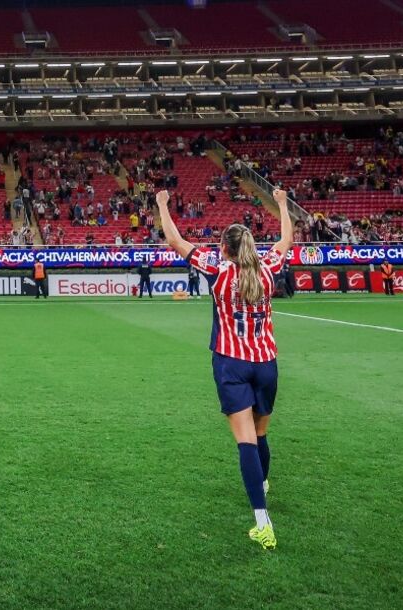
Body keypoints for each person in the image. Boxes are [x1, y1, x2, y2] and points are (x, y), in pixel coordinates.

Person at [156, 186, 293, 551]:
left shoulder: (218, 270)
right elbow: (286, 240)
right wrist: (280, 204)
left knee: (245, 440)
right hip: (266, 363)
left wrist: (162, 205)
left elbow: (175, 240)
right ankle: (261, 483)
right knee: (261, 435)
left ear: (225, 249)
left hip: (232, 363)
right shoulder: (268, 268)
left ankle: (262, 521)